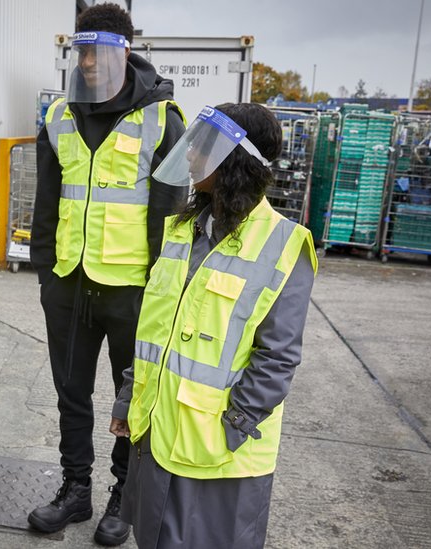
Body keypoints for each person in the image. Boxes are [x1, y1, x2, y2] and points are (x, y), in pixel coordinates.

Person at [109, 103, 317, 549]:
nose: (189, 154)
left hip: (219, 449)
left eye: (203, 145)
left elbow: (278, 356)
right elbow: (153, 331)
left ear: (234, 160)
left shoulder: (284, 245)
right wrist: (128, 397)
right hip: (157, 427)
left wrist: (235, 424)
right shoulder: (183, 230)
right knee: (153, 538)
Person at [28, 3, 186, 546]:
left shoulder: (164, 120)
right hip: (69, 284)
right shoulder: (59, 116)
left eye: (97, 50)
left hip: (132, 291)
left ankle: (123, 495)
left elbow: (171, 217)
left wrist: (161, 293)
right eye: (81, 50)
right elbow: (45, 203)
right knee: (70, 392)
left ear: (124, 49)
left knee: (132, 400)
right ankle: (76, 491)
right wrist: (45, 275)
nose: (88, 61)